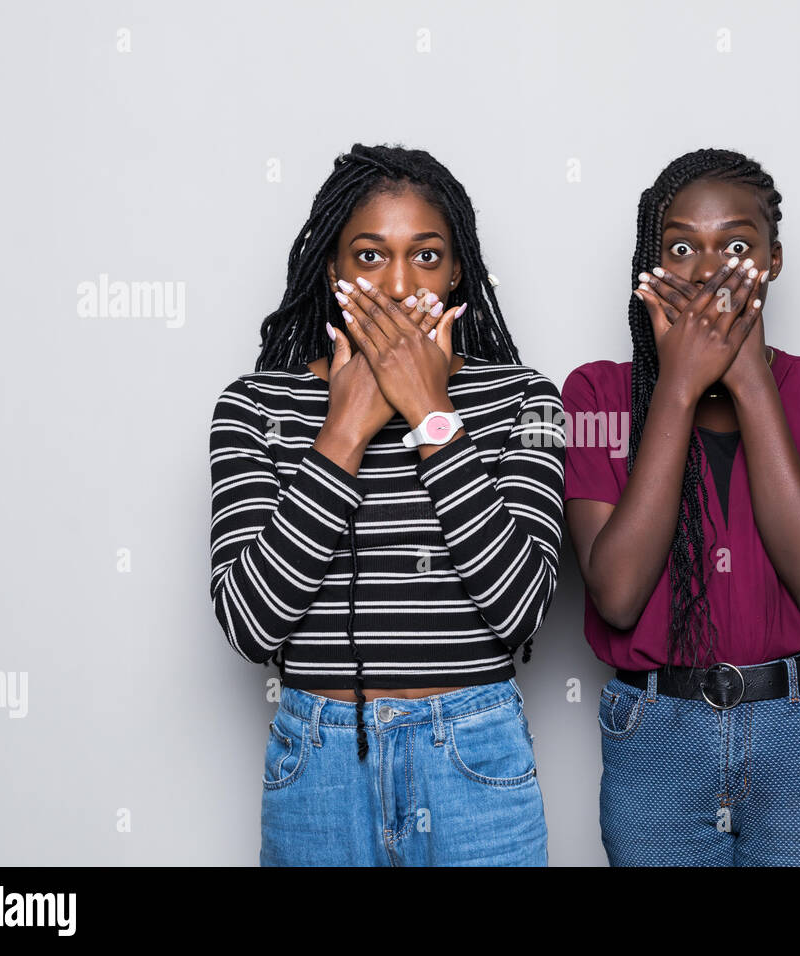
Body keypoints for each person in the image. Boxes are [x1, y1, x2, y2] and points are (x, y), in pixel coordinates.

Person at [208, 143, 565, 866]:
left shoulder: (525, 400)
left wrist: (431, 412)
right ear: (333, 269)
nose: (399, 284)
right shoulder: (256, 407)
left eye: (426, 256)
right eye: (370, 256)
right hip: (320, 763)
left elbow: (520, 607)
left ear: (459, 268)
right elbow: (250, 625)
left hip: (474, 756)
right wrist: (344, 430)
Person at [561, 148, 800, 866]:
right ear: (653, 266)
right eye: (682, 247)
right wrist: (677, 389)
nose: (709, 271)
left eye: (736, 245)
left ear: (772, 260)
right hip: (656, 737)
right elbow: (616, 594)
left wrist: (749, 380)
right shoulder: (596, 396)